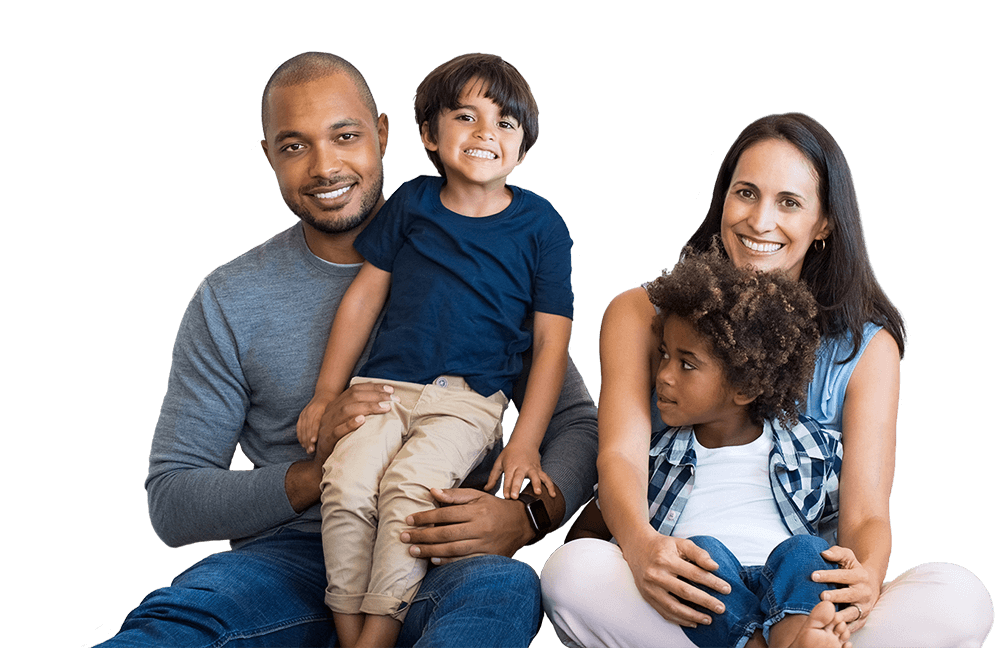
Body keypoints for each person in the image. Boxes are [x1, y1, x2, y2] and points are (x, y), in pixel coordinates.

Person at [101, 52, 597, 648]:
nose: (325, 166)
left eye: (345, 136)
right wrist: (319, 474)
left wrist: (525, 518)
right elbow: (172, 502)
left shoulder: (488, 252)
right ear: (267, 156)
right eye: (294, 146)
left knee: (502, 592)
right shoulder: (228, 298)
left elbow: (576, 420)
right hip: (287, 557)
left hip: (437, 546)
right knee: (177, 621)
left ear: (384, 134)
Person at [541, 112, 993, 647]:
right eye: (746, 193)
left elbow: (867, 512)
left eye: (789, 202)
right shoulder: (640, 312)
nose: (759, 221)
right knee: (571, 571)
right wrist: (641, 550)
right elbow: (618, 456)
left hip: (802, 590)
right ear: (722, 198)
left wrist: (865, 580)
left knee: (961, 597)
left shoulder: (866, 347)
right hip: (686, 585)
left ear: (825, 222)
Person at [294, 53, 574, 648]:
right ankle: (351, 632)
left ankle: (379, 630)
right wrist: (326, 394)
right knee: (344, 482)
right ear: (428, 133)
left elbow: (552, 341)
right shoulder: (412, 203)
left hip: (467, 403)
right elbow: (363, 300)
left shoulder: (541, 226)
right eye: (466, 116)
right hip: (385, 390)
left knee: (408, 489)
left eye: (505, 123)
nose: (484, 134)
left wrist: (525, 440)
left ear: (522, 149)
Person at [565, 245, 854, 648]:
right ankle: (757, 642)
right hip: (707, 596)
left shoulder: (811, 447)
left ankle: (796, 634)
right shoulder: (653, 457)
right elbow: (591, 529)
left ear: (747, 387)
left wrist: (856, 564)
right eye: (663, 355)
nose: (663, 375)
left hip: (783, 586)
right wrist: (606, 567)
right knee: (700, 553)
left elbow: (852, 523)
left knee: (808, 551)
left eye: (686, 364)